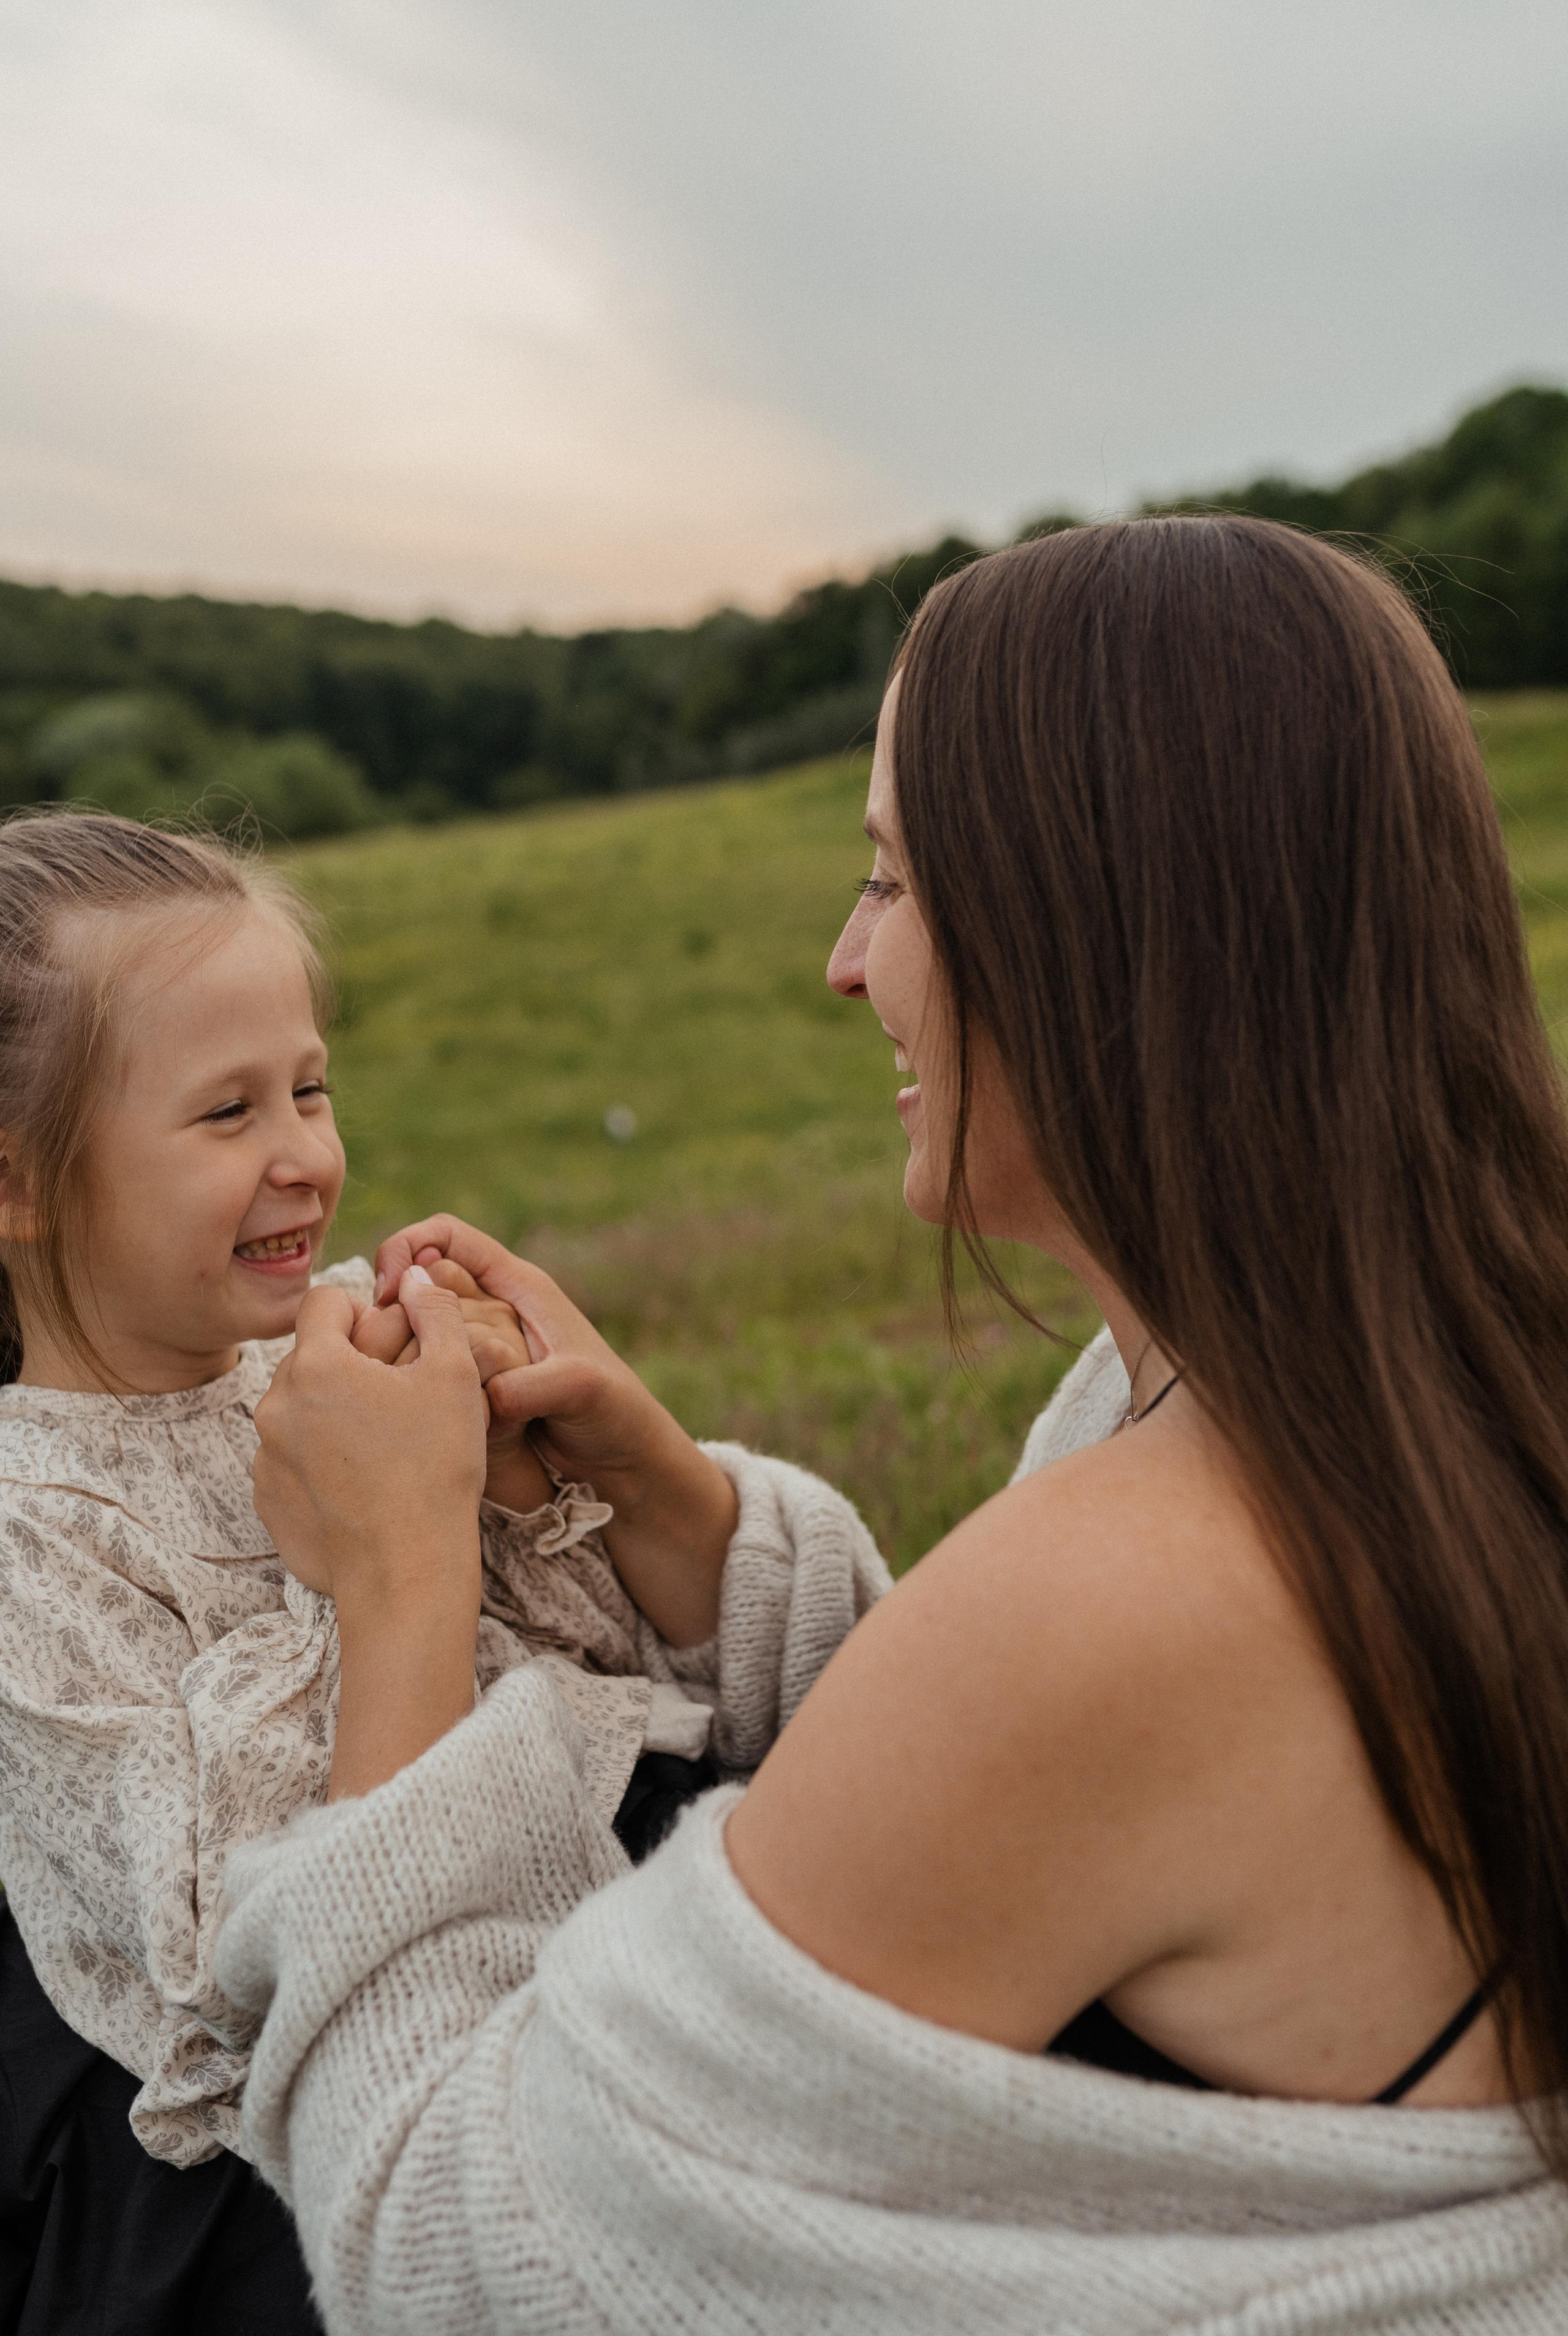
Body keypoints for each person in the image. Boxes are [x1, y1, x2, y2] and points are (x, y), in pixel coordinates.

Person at [223, 518, 1568, 2333]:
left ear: (1088, 922)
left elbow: (462, 2255)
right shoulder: (1419, 1364)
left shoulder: (1145, 1585)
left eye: (892, 879)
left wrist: (394, 1596)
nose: (846, 966)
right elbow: (1072, 1829)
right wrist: (682, 1512)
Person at [0, 814, 766, 2329]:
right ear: (19, 1186)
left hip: (574, 1924)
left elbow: (594, 1667)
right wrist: (374, 1555)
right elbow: (226, 1951)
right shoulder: (33, 1530)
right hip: (317, 2128)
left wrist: (531, 1477)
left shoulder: (328, 1360)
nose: (305, 1153)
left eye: (309, 1086)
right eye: (225, 1115)